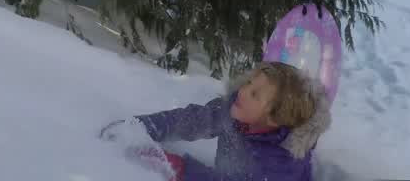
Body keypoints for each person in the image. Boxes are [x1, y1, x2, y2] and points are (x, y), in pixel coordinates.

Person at [101, 61, 331, 181]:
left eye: (254, 94)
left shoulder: (276, 165)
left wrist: (181, 169)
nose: (243, 90)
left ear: (273, 118)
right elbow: (191, 120)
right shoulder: (237, 111)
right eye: (250, 83)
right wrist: (143, 127)